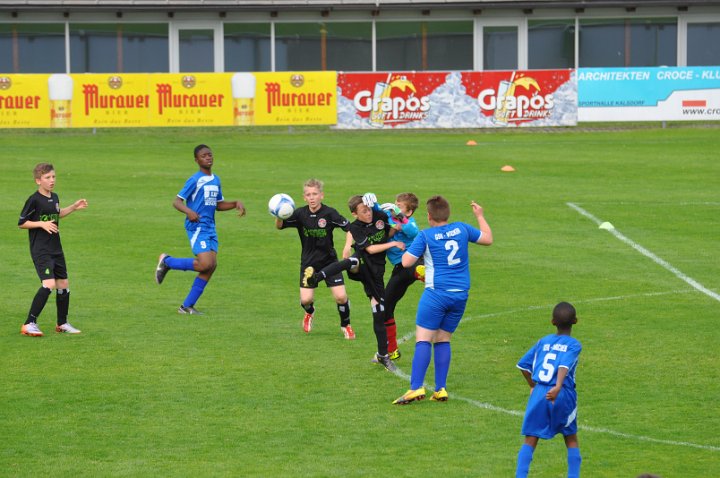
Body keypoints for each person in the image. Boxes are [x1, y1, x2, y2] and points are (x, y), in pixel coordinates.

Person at [393, 195, 492, 404]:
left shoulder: (425, 235)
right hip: (460, 294)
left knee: (423, 339)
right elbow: (487, 239)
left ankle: (415, 387)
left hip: (436, 294)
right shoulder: (462, 228)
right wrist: (480, 216)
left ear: (429, 216)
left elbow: (406, 262)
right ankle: (440, 389)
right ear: (448, 214)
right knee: (443, 339)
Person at [308, 193, 405, 371]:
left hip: (375, 275)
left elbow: (390, 230)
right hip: (361, 266)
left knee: (379, 313)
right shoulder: (355, 227)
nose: (368, 213)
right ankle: (317, 277)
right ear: (354, 214)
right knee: (352, 261)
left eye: (369, 209)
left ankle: (383, 355)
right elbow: (371, 249)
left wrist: (395, 226)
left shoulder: (379, 216)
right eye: (364, 211)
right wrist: (393, 244)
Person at [155, 144, 245, 314]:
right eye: (203, 156)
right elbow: (176, 201)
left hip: (210, 227)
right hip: (197, 226)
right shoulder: (195, 180)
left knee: (211, 266)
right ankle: (167, 261)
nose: (208, 158)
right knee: (205, 263)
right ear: (196, 160)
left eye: (209, 155)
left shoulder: (216, 180)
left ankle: (186, 306)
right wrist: (189, 211)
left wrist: (235, 203)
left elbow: (218, 205)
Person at [276, 178, 355, 338]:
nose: (312, 197)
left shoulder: (330, 213)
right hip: (309, 264)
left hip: (330, 262)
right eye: (308, 195)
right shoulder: (299, 214)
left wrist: (347, 246)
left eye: (315, 194)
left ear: (321, 195)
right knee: (306, 300)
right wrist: (278, 214)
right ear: (304, 197)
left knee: (341, 297)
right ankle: (310, 312)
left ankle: (346, 325)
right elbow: (280, 226)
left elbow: (350, 228)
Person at [18, 163, 88, 337]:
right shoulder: (34, 200)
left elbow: (57, 214)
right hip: (41, 250)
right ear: (38, 181)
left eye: (53, 177)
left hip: (56, 248)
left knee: (63, 284)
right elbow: (22, 223)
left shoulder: (54, 197)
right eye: (47, 178)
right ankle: (29, 323)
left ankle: (62, 323)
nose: (52, 180)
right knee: (49, 284)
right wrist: (41, 224)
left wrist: (73, 207)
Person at [515, 302, 582, 478]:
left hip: (540, 393)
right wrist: (558, 386)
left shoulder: (543, 342)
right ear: (575, 321)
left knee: (530, 439)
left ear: (553, 322)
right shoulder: (574, 345)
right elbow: (563, 365)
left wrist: (533, 385)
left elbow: (523, 365)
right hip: (562, 393)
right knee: (571, 438)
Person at [382, 192, 425, 361]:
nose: (395, 209)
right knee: (386, 307)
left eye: (399, 207)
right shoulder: (390, 217)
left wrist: (401, 219)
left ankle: (424, 274)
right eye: (395, 205)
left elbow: (414, 232)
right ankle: (392, 350)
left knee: (413, 267)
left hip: (413, 261)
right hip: (400, 269)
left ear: (409, 212)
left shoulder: (409, 222)